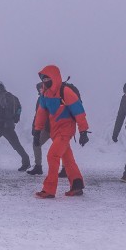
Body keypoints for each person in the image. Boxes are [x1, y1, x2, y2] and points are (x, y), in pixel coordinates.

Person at [33, 65, 90, 198]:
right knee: (67, 158)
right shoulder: (45, 95)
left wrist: (83, 132)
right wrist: (37, 131)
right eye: (43, 79)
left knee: (52, 156)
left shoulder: (66, 92)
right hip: (55, 131)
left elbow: (79, 112)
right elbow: (40, 114)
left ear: (54, 77)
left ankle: (49, 189)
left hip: (65, 131)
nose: (45, 81)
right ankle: (77, 185)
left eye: (47, 78)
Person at [26, 82, 50, 175]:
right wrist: (35, 128)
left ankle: (65, 168)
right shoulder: (40, 99)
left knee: (63, 148)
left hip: (54, 128)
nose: (40, 90)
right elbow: (37, 115)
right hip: (45, 128)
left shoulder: (51, 97)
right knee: (36, 144)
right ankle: (38, 166)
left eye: (42, 88)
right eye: (39, 89)